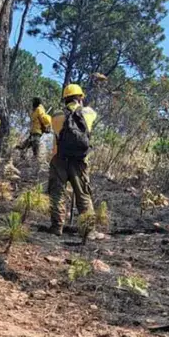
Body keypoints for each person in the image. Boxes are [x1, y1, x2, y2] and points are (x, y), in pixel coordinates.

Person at [48, 84, 97, 236]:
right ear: (80, 98)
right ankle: (88, 231)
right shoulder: (88, 113)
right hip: (80, 161)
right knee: (83, 195)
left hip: (60, 159)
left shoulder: (56, 116)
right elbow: (92, 114)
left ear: (65, 99)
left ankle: (57, 227)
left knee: (57, 193)